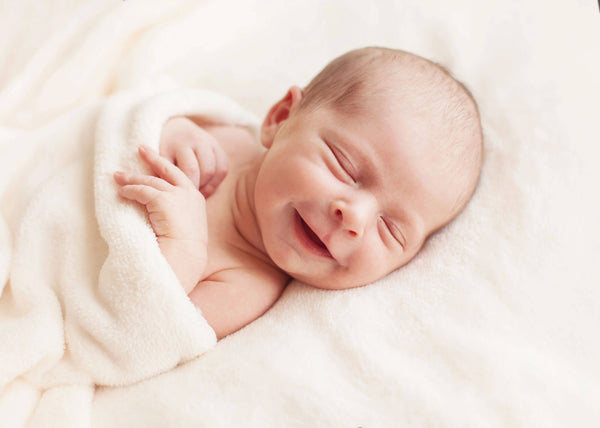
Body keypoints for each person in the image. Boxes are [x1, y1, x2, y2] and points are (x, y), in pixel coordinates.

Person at [113, 47, 483, 339]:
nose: (354, 217)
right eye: (344, 166)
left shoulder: (244, 286)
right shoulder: (214, 135)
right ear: (281, 118)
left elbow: (141, 332)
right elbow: (121, 117)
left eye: (391, 230)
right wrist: (170, 124)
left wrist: (184, 243)